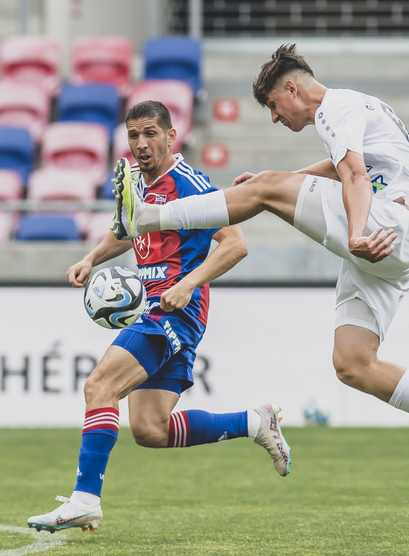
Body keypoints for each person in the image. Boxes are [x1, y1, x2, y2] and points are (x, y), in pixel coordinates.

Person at [113, 45, 409, 495]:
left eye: (274, 106)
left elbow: (355, 177)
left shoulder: (337, 107)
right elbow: (341, 167)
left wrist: (352, 231)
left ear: (292, 88)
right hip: (393, 242)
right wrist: (277, 182)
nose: (276, 117)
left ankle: (148, 217)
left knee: (268, 188)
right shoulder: (356, 109)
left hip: (384, 226)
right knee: (353, 364)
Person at [27, 101, 291, 534]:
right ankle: (255, 421)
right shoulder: (136, 183)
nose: (141, 143)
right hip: (157, 308)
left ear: (171, 136)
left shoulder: (190, 183)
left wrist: (188, 283)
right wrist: (91, 258)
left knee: (99, 385)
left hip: (175, 312)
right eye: (134, 135)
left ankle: (85, 500)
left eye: (150, 133)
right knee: (150, 429)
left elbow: (235, 244)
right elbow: (127, 230)